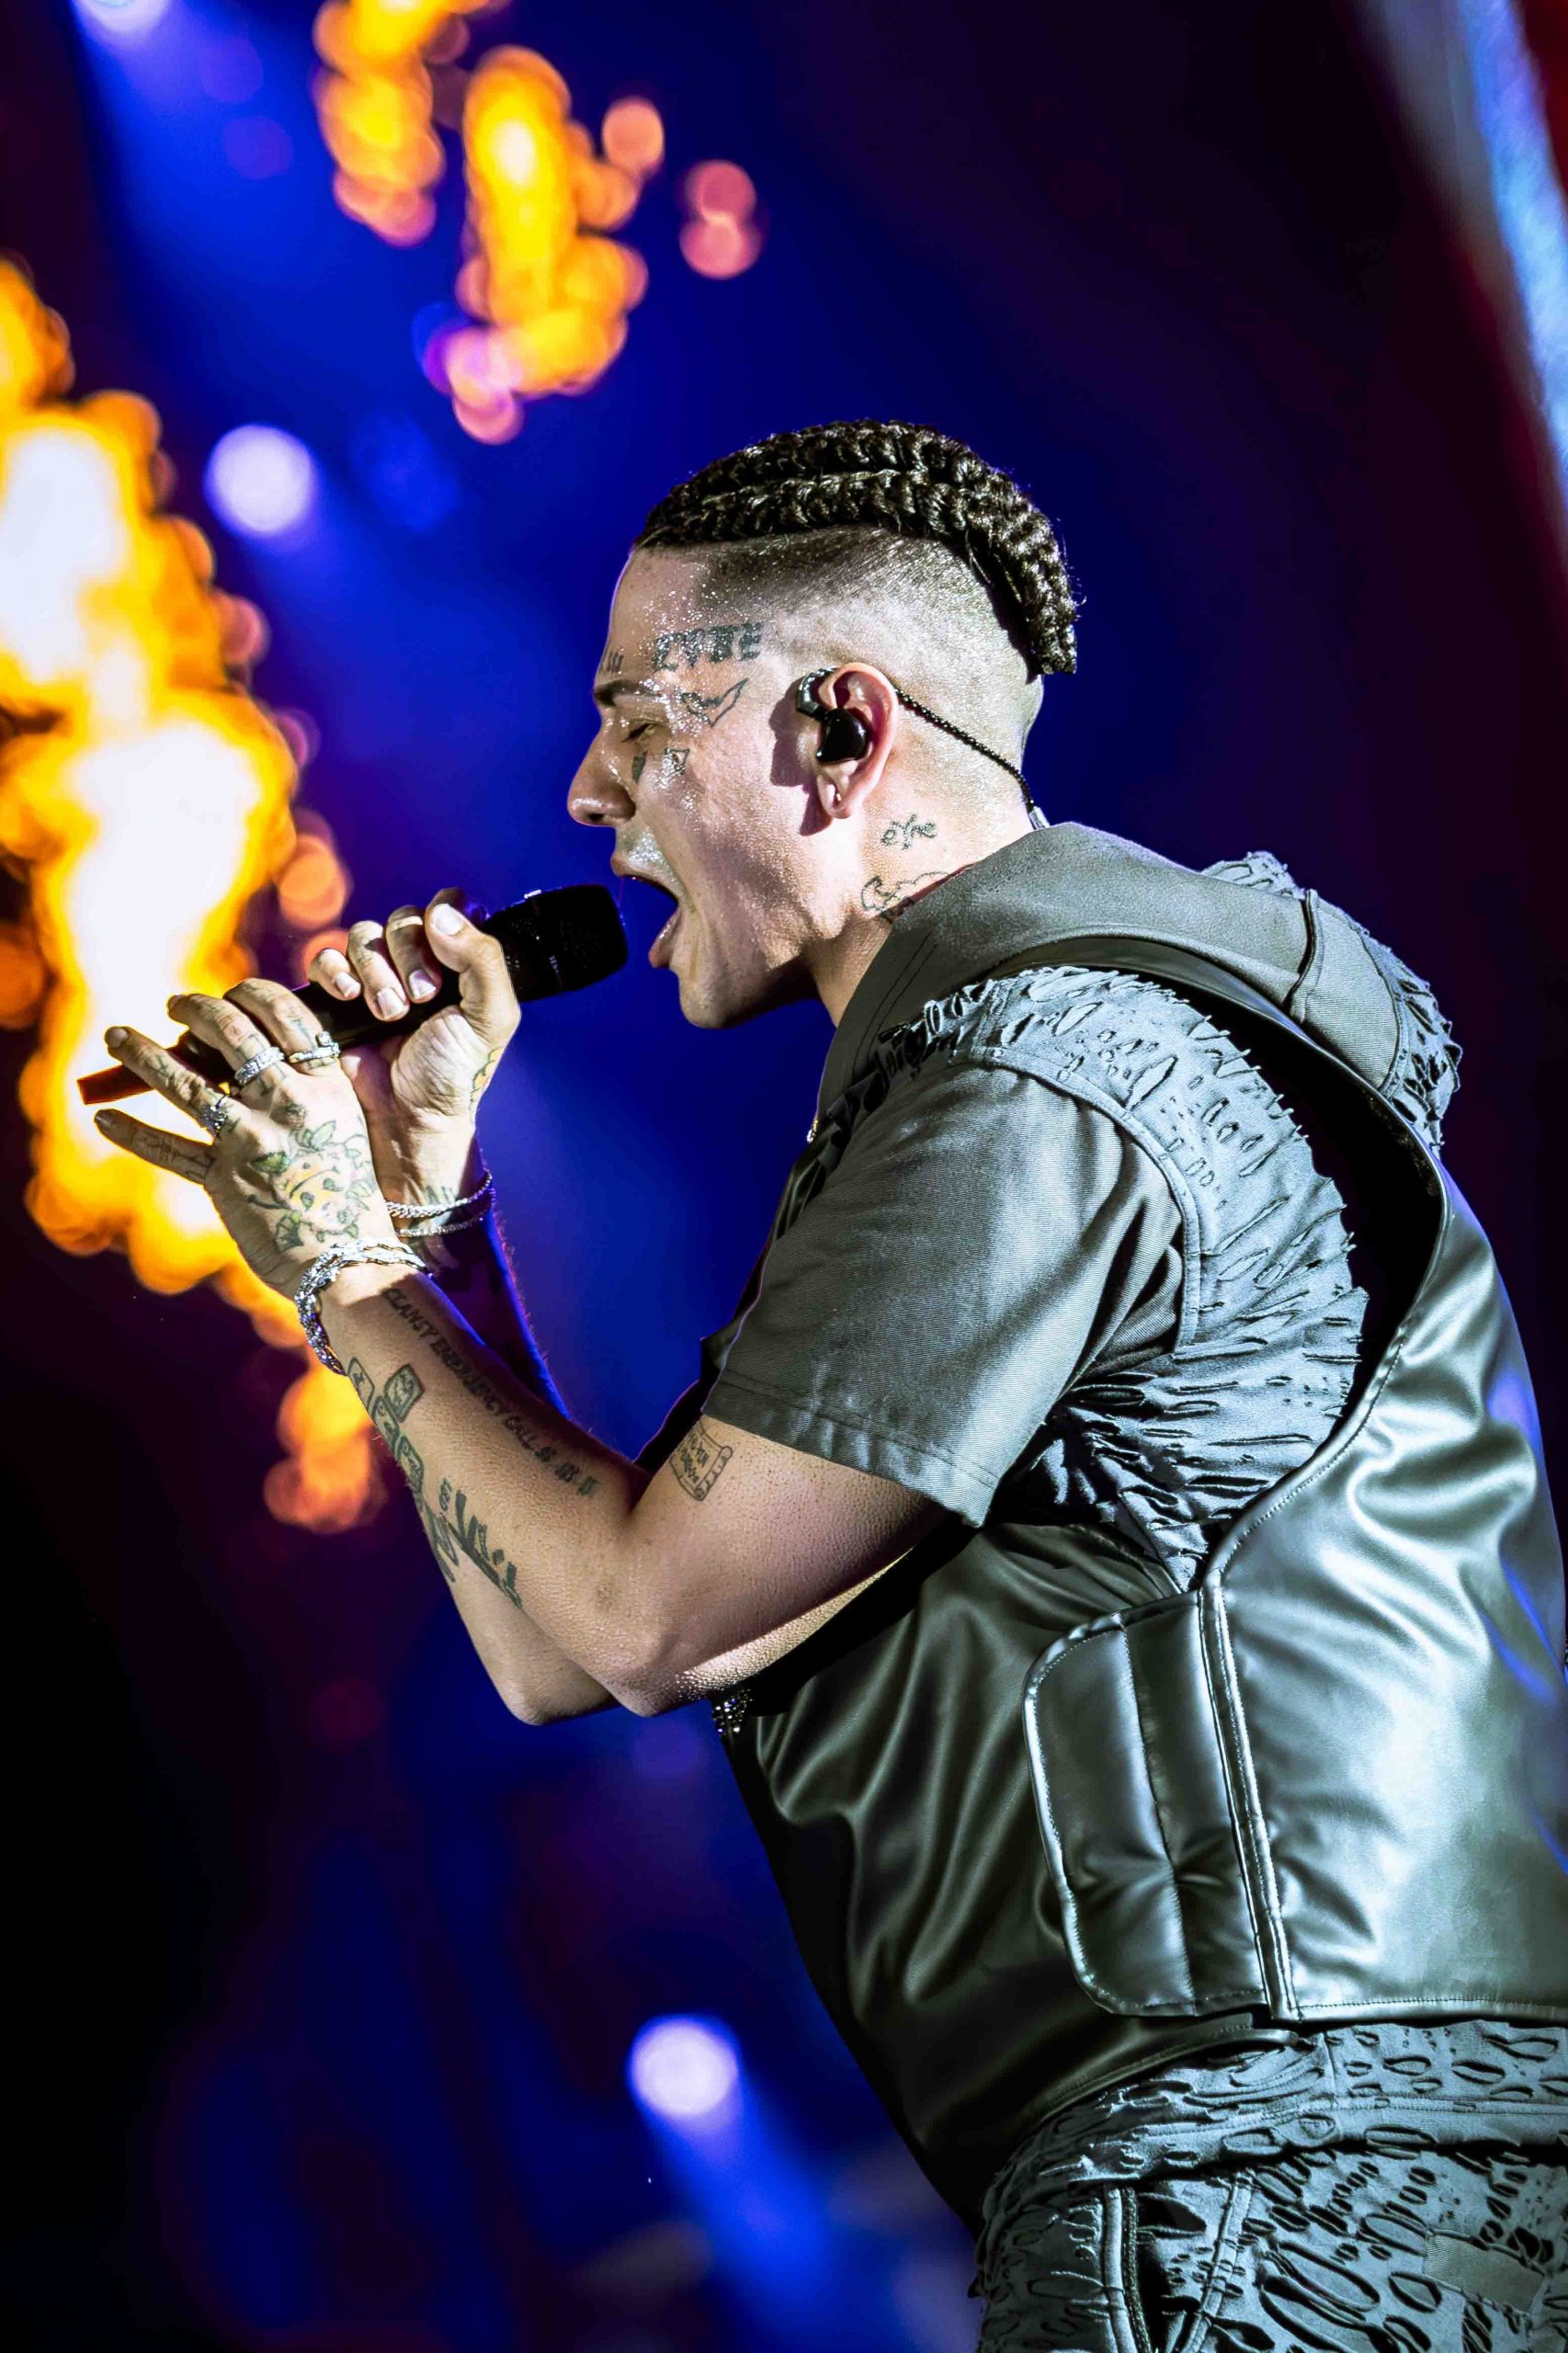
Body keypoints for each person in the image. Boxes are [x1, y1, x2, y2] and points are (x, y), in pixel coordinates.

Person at [96, 421, 1568, 2349]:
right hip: (1308, 2178)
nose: (591, 793)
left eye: (641, 723)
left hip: (1270, 2208)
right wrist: (421, 1226)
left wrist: (331, 1259)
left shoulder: (1045, 1080)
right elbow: (565, 1643)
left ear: (840, 729)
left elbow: (641, 1616)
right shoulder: (1074, 1048)